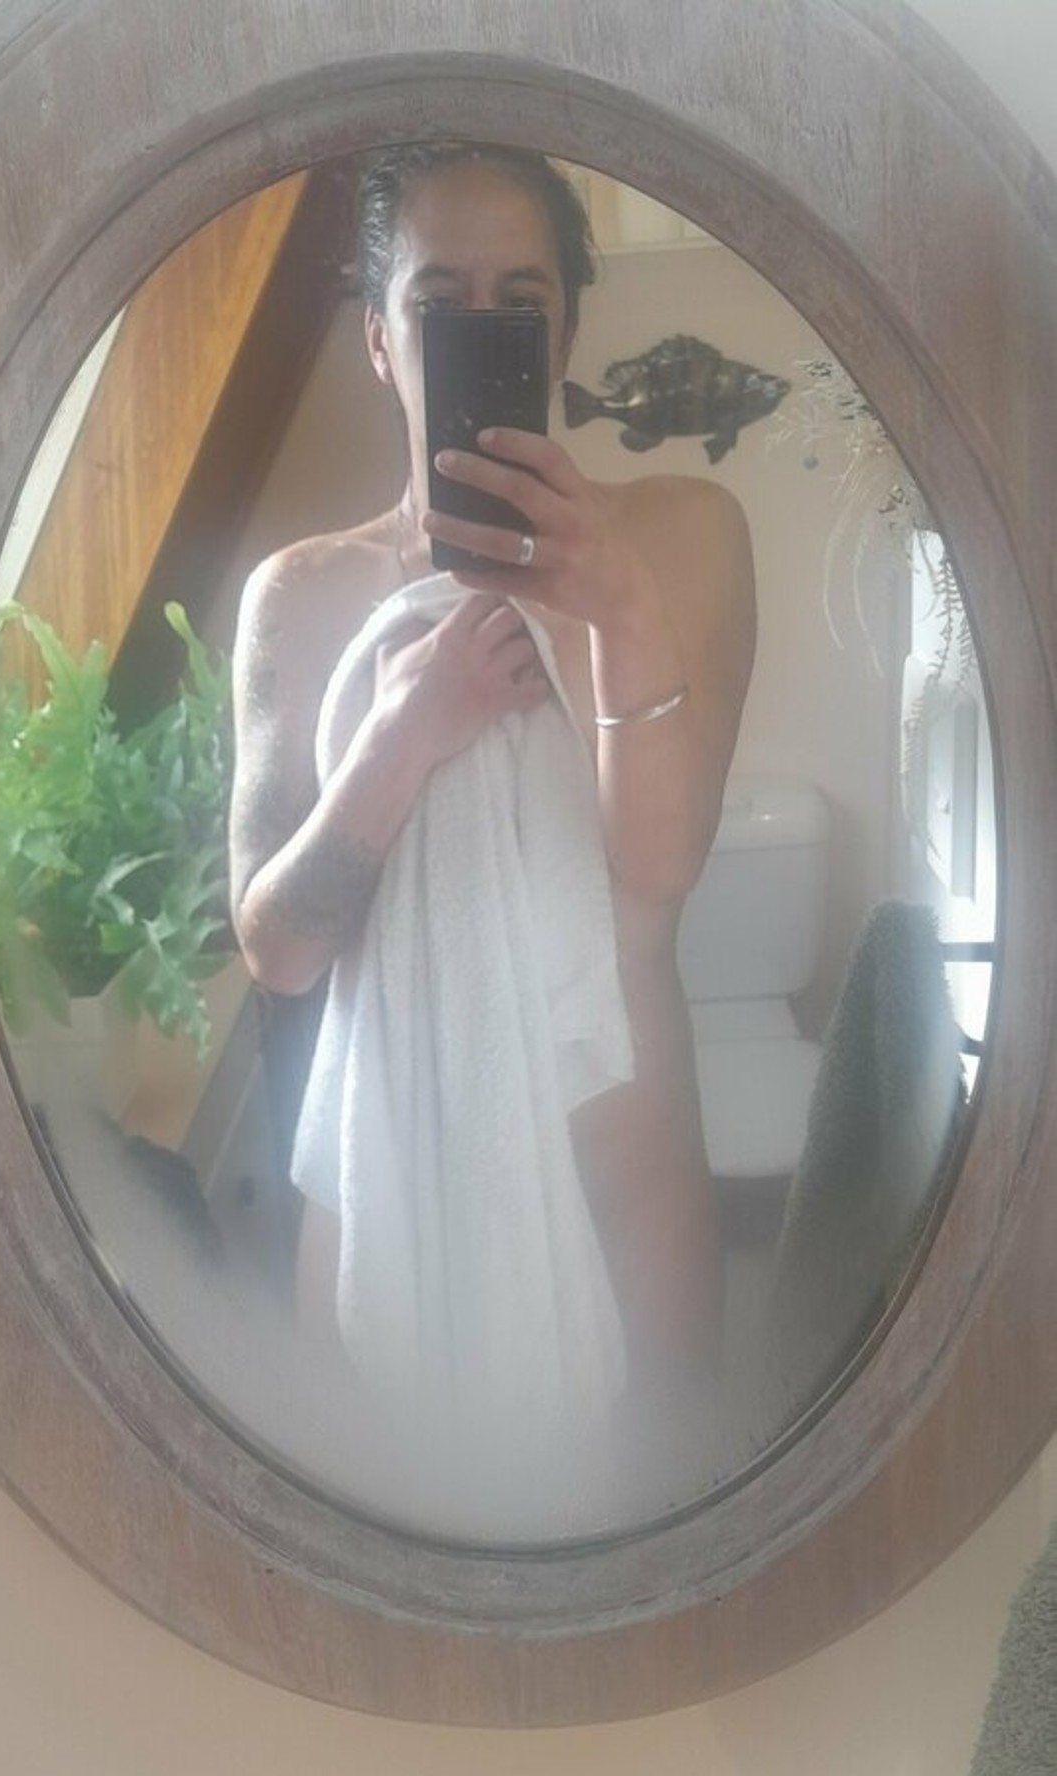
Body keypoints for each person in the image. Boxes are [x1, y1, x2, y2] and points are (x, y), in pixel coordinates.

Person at [229, 142, 756, 1407]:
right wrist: (401, 735)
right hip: (382, 1207)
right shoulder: (301, 597)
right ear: (378, 338)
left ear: (562, 333)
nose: (478, 329)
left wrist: (613, 601)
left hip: (624, 1206)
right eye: (437, 302)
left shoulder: (684, 538)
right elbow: (278, 950)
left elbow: (658, 870)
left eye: (518, 303)